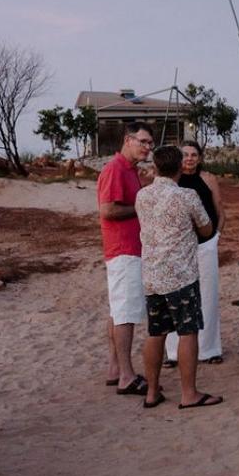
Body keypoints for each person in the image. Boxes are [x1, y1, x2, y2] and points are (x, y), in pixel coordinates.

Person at [136, 145, 222, 410]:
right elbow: (206, 227)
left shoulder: (142, 195)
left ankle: (152, 392)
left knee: (156, 332)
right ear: (178, 168)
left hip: (152, 274)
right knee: (187, 332)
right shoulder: (187, 195)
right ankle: (189, 393)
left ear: (155, 167)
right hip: (181, 275)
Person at [97, 121, 152, 395]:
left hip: (129, 250)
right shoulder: (115, 169)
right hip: (123, 251)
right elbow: (107, 210)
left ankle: (115, 368)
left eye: (150, 143)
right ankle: (127, 376)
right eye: (143, 141)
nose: (147, 147)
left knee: (118, 311)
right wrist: (141, 207)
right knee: (125, 314)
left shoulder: (130, 171)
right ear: (128, 140)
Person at [163, 141, 226, 368]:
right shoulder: (171, 181)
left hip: (205, 245)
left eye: (193, 155)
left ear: (199, 158)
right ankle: (173, 353)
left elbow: (219, 209)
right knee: (176, 297)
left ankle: (209, 349)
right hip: (178, 247)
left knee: (207, 295)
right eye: (185, 155)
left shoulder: (208, 179)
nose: (189, 158)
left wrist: (216, 236)